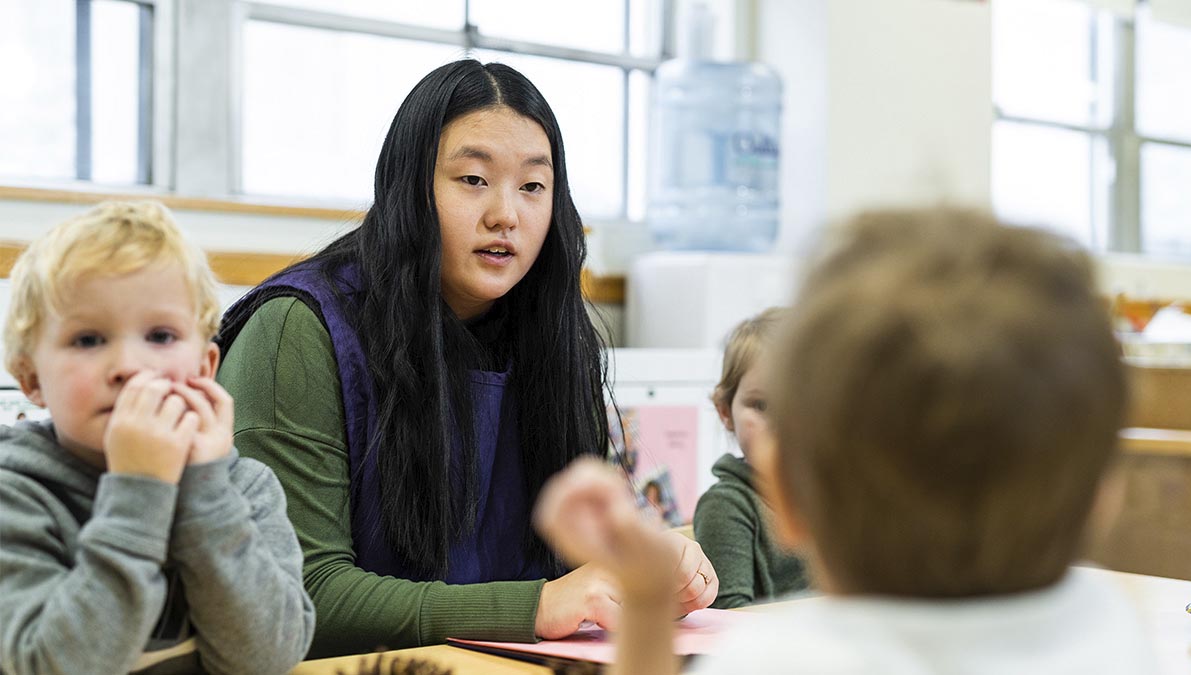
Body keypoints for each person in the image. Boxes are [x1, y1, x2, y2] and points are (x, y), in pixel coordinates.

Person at [214, 58, 717, 658]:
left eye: (533, 186)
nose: (506, 213)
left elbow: (572, 562)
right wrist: (539, 606)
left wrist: (642, 564)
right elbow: (298, 596)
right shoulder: (296, 330)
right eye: (473, 179)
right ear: (410, 187)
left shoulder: (555, 334)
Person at [535, 207, 1156, 675]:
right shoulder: (1115, 634)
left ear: (791, 499)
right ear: (1106, 495)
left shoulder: (778, 662)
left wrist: (645, 606)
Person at [0, 201, 315, 675]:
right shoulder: (16, 493)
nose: (131, 366)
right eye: (88, 340)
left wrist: (205, 491)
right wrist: (139, 490)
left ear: (206, 369)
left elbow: (265, 660)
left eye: (161, 336)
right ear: (31, 379)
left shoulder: (243, 487)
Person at [693, 307, 808, 608]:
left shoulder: (835, 498)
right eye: (762, 405)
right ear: (724, 411)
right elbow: (726, 624)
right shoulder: (727, 506)